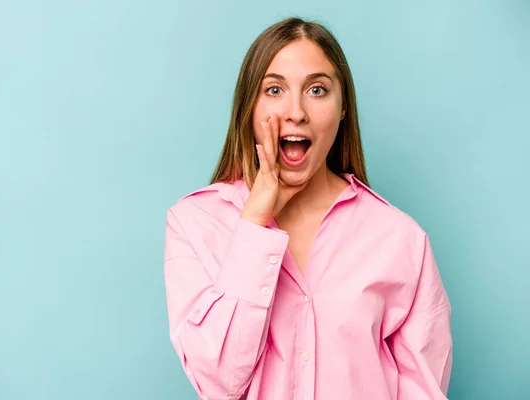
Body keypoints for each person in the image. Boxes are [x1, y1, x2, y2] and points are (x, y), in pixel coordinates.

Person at [163, 17, 452, 400]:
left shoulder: (400, 239)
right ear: (249, 106)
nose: (295, 111)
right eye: (274, 90)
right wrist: (254, 222)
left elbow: (424, 390)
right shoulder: (195, 223)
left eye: (317, 90)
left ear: (343, 108)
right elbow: (219, 381)